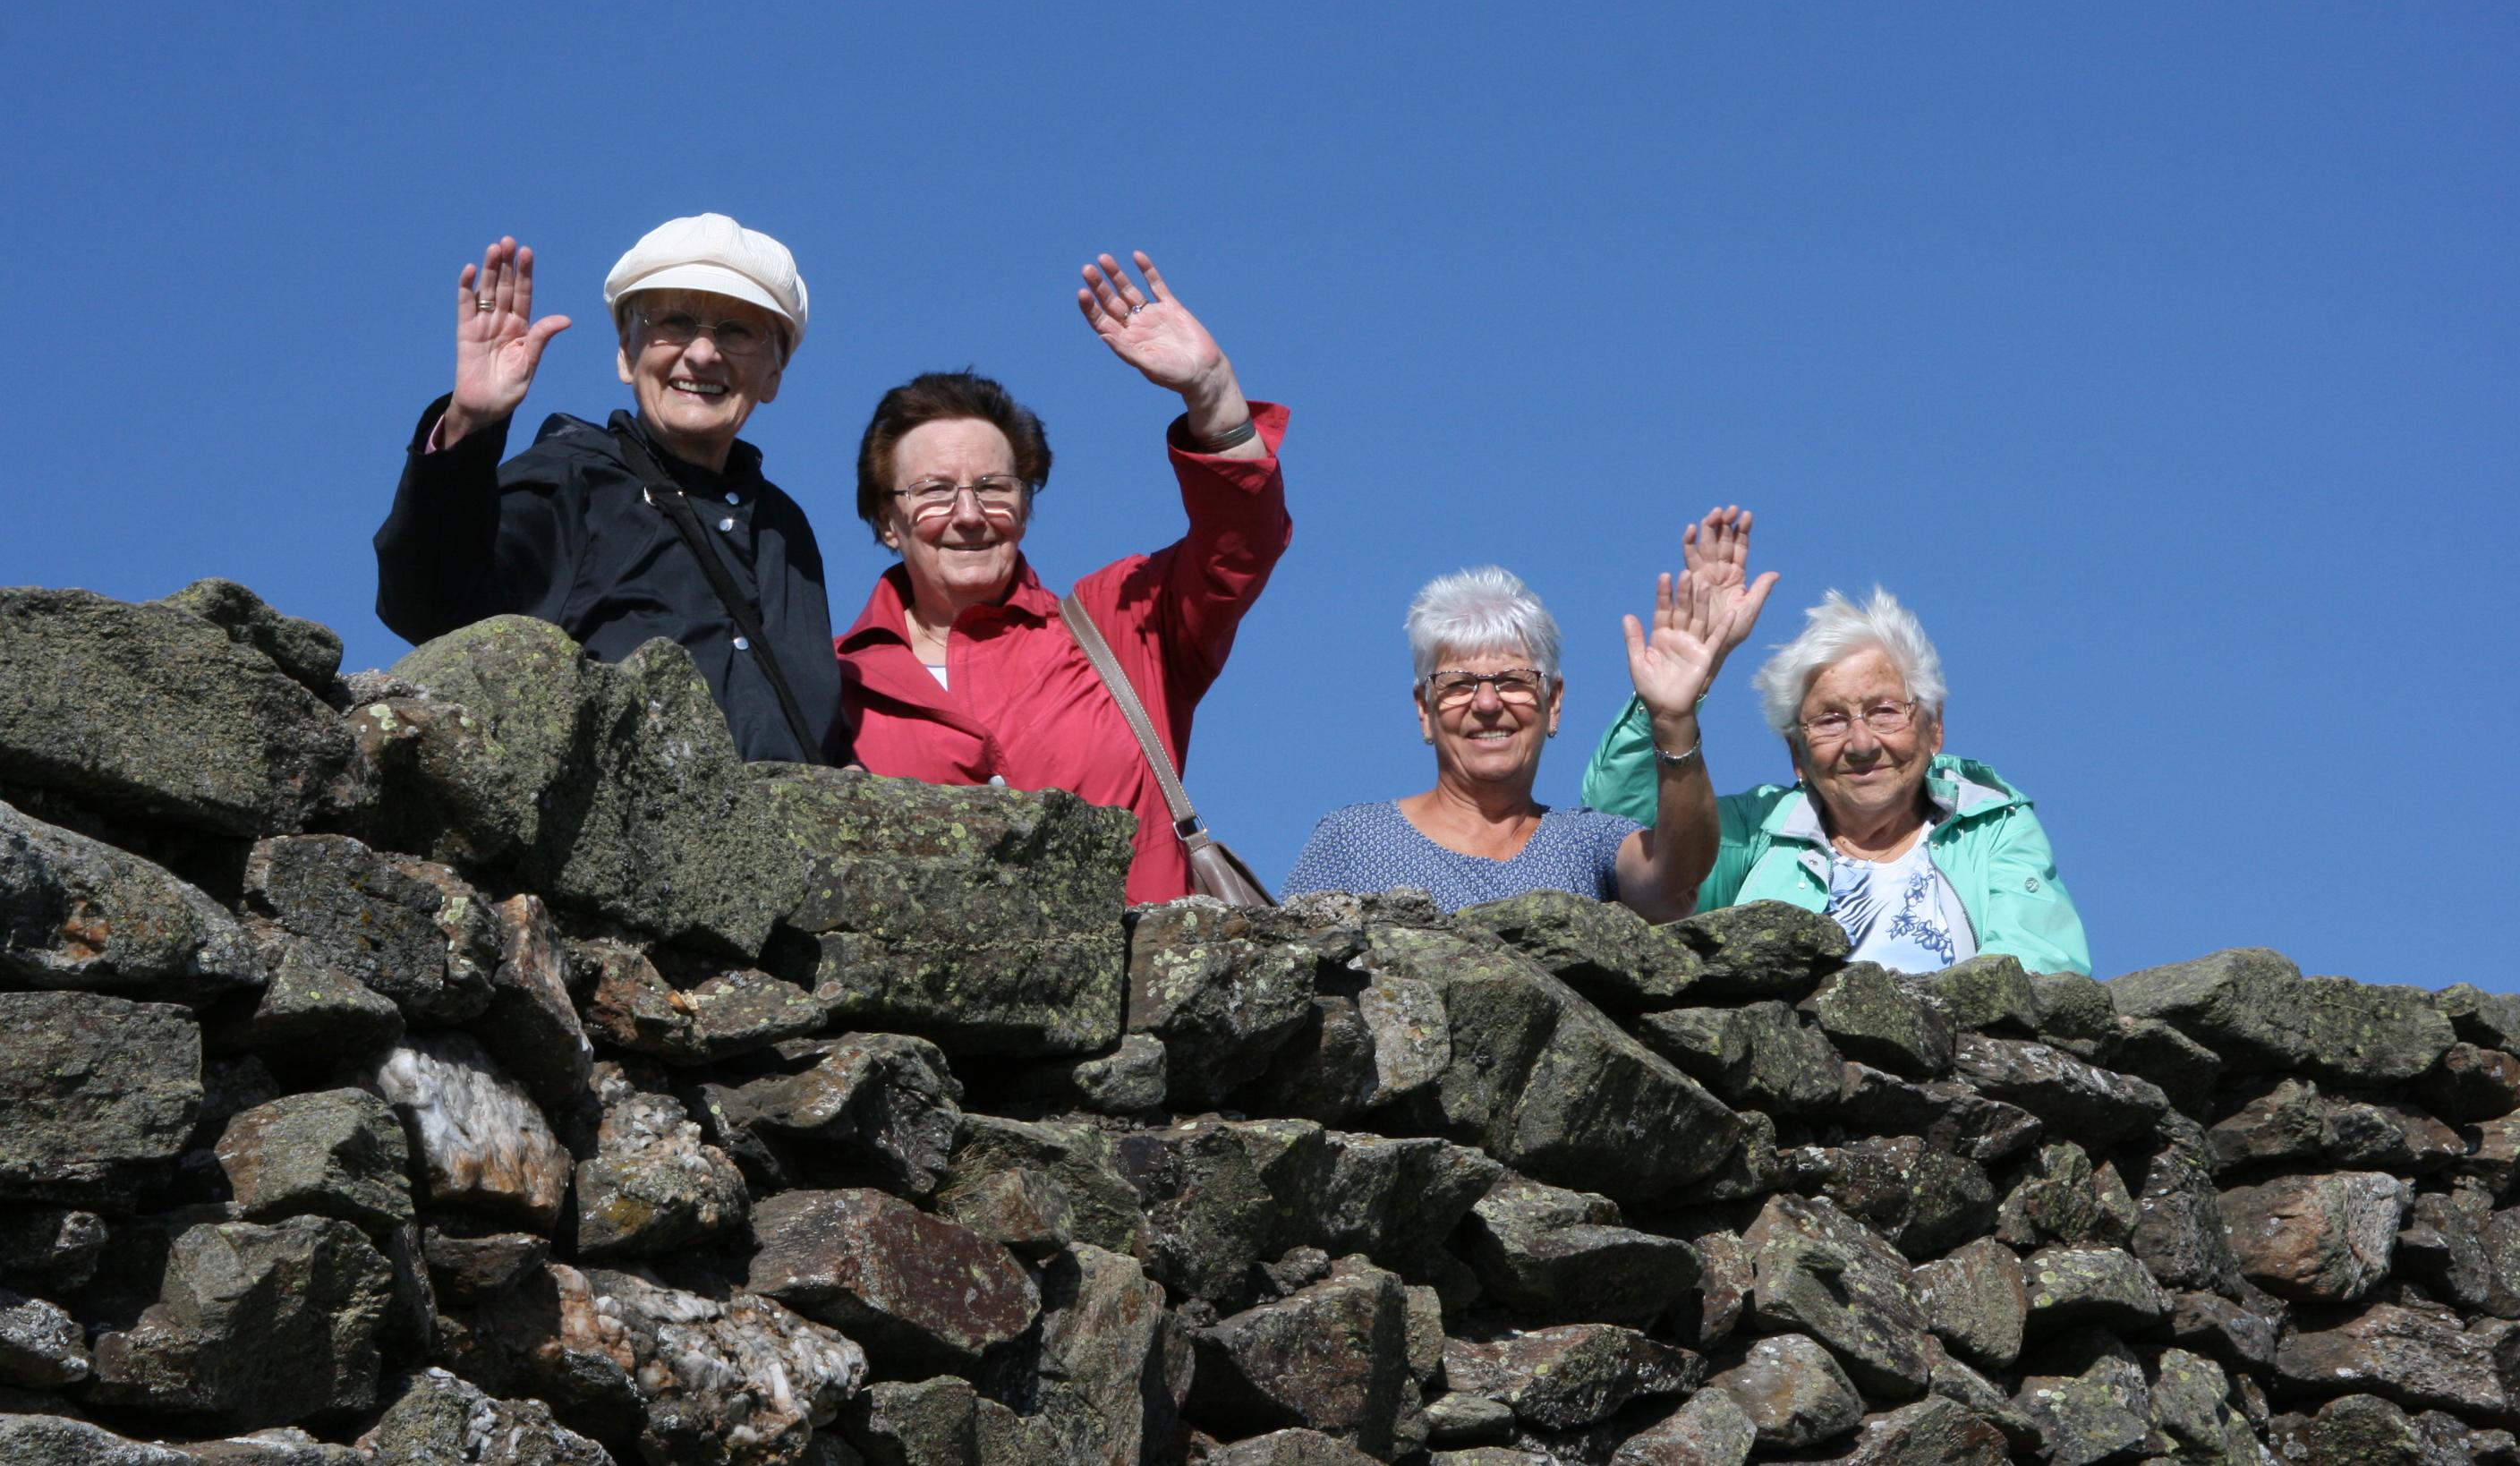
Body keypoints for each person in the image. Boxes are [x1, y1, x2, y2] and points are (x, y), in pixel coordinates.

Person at [837, 251, 1288, 906]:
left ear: (1026, 507)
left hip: (1139, 973)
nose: (969, 514)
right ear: (887, 520)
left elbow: (1238, 548)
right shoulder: (833, 683)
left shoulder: (1120, 624)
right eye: (933, 491)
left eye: (994, 486)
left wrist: (1213, 393)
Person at [376, 215, 847, 765]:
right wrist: (469, 425)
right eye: (674, 322)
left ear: (774, 373)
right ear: (627, 351)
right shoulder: (571, 480)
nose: (702, 354)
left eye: (737, 330)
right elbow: (430, 608)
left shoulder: (786, 531)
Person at [1580, 509, 2090, 975]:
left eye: (1885, 711)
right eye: (1829, 720)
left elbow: (2040, 970)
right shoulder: (1753, 833)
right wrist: (1675, 702)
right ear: (1797, 755)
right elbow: (1616, 840)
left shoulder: (1991, 826)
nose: (1861, 742)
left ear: (1933, 728)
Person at [1281, 559, 1771, 918]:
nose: (1487, 703)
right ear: (1424, 711)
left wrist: (1673, 719)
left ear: (1552, 703)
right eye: (1458, 684)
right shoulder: (1351, 841)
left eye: (1513, 681)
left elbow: (1676, 877)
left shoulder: (1587, 843)